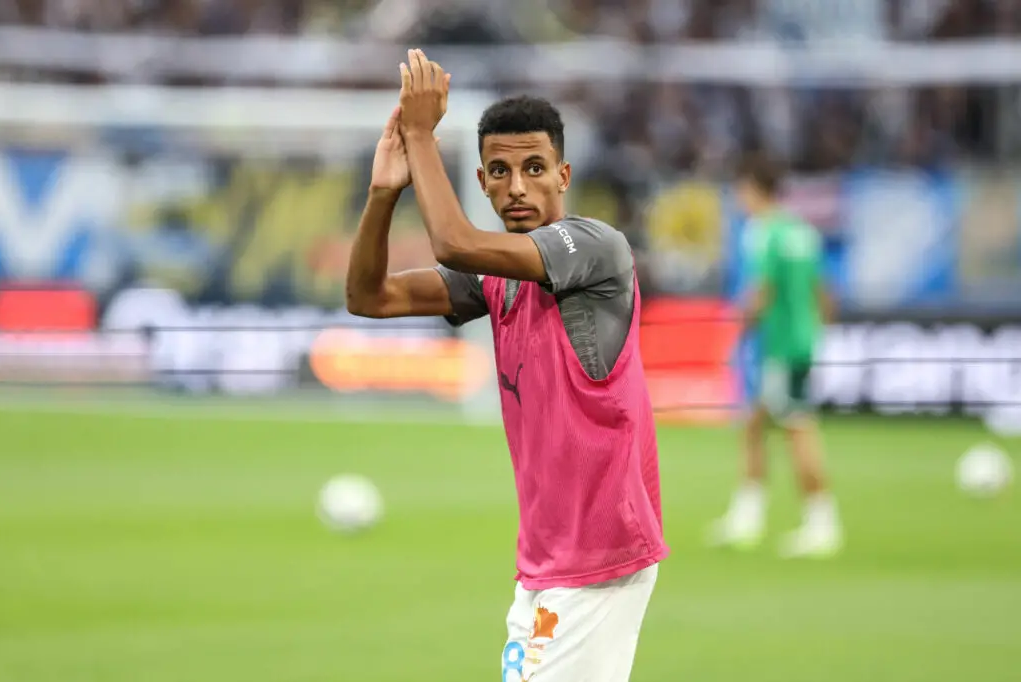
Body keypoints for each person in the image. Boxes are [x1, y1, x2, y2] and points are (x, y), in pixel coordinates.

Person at [345, 49, 668, 682]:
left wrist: (420, 135)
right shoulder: (493, 279)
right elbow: (369, 296)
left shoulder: (595, 247)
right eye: (499, 171)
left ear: (563, 175)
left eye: (533, 168)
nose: (517, 186)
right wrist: (384, 192)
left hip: (599, 557)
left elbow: (454, 242)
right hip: (544, 564)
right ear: (483, 182)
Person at [707, 152, 842, 558]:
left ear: (753, 189)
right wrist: (816, 333)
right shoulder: (802, 231)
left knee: (798, 430)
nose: (738, 198)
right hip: (801, 341)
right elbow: (824, 293)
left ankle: (822, 523)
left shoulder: (763, 231)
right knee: (754, 425)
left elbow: (761, 292)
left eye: (740, 190)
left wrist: (735, 331)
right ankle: (747, 518)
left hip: (778, 346)